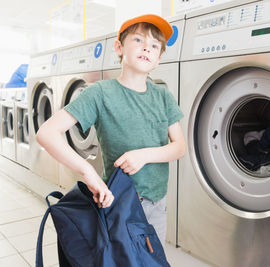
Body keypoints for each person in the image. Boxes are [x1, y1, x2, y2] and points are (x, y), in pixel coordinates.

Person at [36, 14, 187, 244]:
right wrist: (88, 173)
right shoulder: (100, 93)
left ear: (158, 59)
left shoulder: (163, 96)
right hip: (120, 201)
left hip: (157, 203)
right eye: (138, 40)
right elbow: (46, 133)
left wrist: (144, 155)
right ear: (119, 47)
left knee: (153, 259)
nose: (147, 48)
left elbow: (180, 147)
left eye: (154, 46)